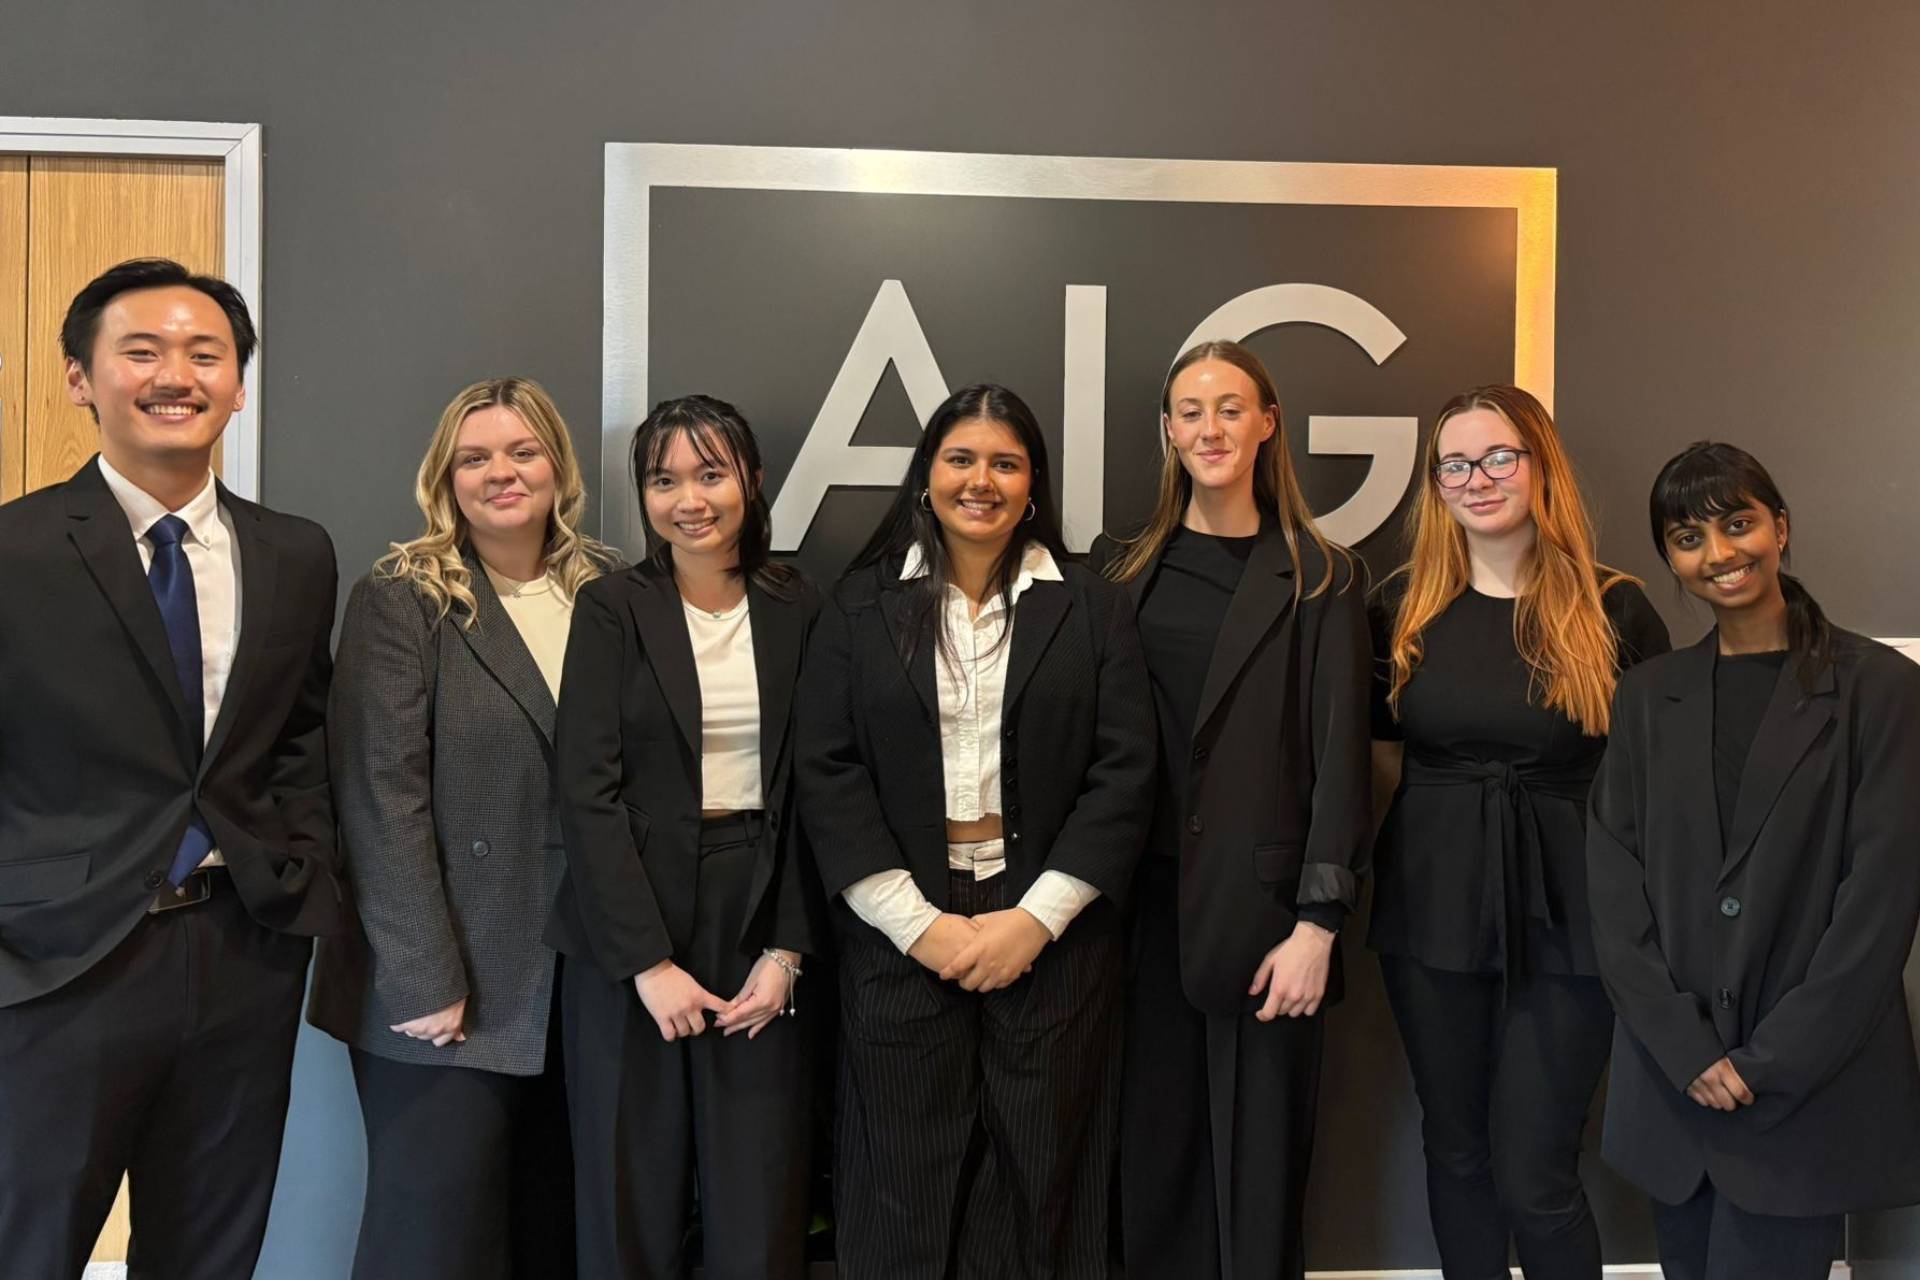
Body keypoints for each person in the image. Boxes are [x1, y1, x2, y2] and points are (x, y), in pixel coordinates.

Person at [0, 257, 345, 1276]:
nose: (175, 375)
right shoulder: (13, 548)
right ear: (80, 377)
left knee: (211, 1249)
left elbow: (302, 735)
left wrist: (299, 869)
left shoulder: (295, 553)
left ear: (238, 382)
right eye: (140, 351)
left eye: (206, 353)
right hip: (56, 961)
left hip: (244, 950)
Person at [797, 383, 1154, 1280]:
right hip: (899, 930)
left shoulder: (1093, 607)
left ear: (1033, 486)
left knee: (1045, 1177)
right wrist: (920, 925)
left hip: (1051, 932)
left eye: (1005, 462)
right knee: (901, 1182)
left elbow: (1125, 773)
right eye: (961, 459)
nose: (980, 481)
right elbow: (828, 772)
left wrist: (1035, 921)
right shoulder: (858, 606)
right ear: (927, 477)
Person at [308, 376, 618, 1278]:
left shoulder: (610, 592)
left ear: (558, 465)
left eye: (523, 451)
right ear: (444, 477)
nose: (502, 473)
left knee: (552, 1232)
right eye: (475, 457)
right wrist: (421, 978)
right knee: (433, 1243)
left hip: (586, 978)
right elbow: (378, 796)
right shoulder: (404, 596)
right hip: (454, 984)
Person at [1588, 441, 1920, 1280]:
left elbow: (1880, 902)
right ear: (1669, 555)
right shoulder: (1647, 697)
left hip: (1803, 1097)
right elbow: (1614, 885)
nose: (1720, 553)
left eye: (1739, 524)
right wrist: (1685, 1048)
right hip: (1675, 1095)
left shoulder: (1879, 688)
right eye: (1689, 536)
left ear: (1781, 528)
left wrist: (1769, 1061)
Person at [1368, 385, 1669, 1279]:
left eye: (1500, 457)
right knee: (1454, 1150)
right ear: (1436, 483)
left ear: (1541, 465)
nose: (1478, 478)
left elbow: (1657, 787)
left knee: (1537, 1170)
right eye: (1456, 463)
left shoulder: (1616, 610)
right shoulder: (1400, 610)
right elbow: (1374, 761)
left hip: (1572, 916)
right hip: (1431, 905)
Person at [1094, 339, 1371, 1279]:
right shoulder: (1121, 571)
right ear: (1167, 431)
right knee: (1151, 1161)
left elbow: (1342, 763)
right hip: (1134, 918)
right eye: (1189, 410)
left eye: (1228, 407)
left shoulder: (1325, 577)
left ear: (1267, 423)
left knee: (1260, 1174)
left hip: (1266, 921)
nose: (1209, 427)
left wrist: (1318, 922)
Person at [547, 395, 823, 1279]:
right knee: (630, 1192)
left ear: (752, 480)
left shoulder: (800, 605)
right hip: (629, 921)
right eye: (664, 481)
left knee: (761, 1192)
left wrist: (786, 951)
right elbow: (584, 793)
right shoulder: (611, 608)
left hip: (759, 902)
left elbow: (820, 790)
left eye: (710, 474)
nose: (688, 499)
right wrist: (646, 963)